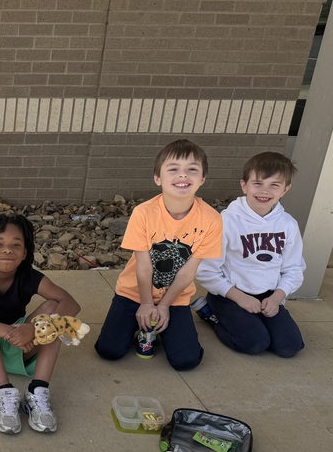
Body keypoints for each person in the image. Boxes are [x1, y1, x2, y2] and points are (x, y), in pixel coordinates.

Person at [94, 138, 223, 370]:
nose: (183, 176)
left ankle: (165, 329)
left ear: (202, 178)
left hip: (176, 297)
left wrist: (163, 305)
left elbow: (187, 272)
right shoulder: (144, 213)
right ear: (158, 178)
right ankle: (143, 324)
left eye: (192, 170)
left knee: (187, 361)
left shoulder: (212, 219)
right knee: (109, 351)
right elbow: (144, 266)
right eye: (173, 169)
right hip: (134, 293)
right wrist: (146, 303)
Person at [0, 213, 80, 434]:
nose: (7, 250)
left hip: (21, 346)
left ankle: (37, 391)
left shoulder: (29, 276)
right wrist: (9, 332)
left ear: (24, 253)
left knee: (55, 312)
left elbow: (71, 303)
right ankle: (4, 391)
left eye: (16, 245)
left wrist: (34, 329)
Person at [194, 152, 305, 357]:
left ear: (286, 189)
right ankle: (210, 313)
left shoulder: (288, 225)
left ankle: (256, 320)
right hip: (229, 294)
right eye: (258, 183)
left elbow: (294, 269)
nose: (265, 191)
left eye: (274, 185)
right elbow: (206, 270)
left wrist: (277, 298)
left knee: (290, 347)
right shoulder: (227, 222)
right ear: (244, 185)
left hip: (268, 296)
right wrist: (239, 298)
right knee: (254, 343)